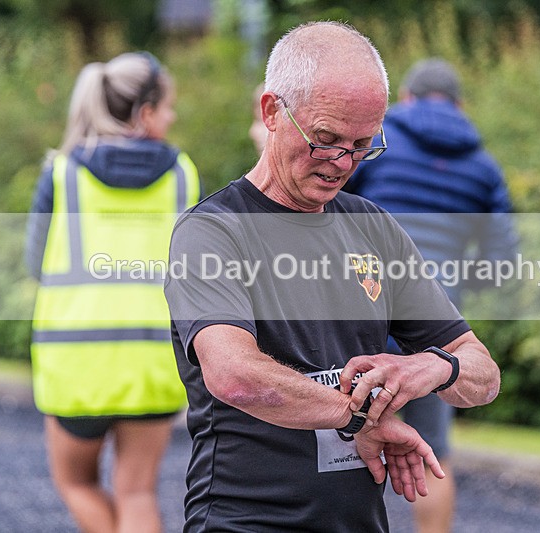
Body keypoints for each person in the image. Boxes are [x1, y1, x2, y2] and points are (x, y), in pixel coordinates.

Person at [164, 22, 501, 532]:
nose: (342, 163)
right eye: (325, 139)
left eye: (362, 144)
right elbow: (235, 375)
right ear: (272, 112)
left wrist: (432, 368)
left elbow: (484, 374)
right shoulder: (212, 232)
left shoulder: (373, 228)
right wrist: (360, 416)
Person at [25, 51, 201, 533]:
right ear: (144, 113)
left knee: (77, 484)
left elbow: (36, 264)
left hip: (77, 362)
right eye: (167, 107)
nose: (172, 116)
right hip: (153, 360)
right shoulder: (183, 175)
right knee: (138, 492)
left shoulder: (62, 173)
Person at [343, 58, 519, 533]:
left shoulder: (376, 143)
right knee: (432, 455)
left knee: (344, 447)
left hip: (362, 317)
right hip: (435, 333)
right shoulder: (484, 167)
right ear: (460, 105)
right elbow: (502, 260)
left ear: (405, 96)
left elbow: (330, 207)